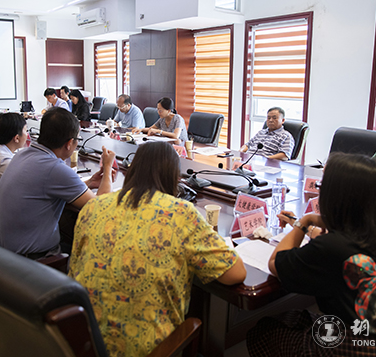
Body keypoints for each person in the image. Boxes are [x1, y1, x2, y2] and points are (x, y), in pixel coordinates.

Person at [69, 142, 246, 357]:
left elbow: (74, 268)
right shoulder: (181, 213)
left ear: (132, 171)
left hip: (81, 342)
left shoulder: (94, 206)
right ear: (175, 178)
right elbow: (236, 274)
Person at [246, 153, 376, 356]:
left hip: (360, 349)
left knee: (264, 331)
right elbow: (344, 247)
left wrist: (305, 221)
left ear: (336, 195)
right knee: (298, 318)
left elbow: (276, 263)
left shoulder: (331, 246)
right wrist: (311, 227)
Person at [0, 107, 115, 258]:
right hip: (32, 259)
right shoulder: (54, 168)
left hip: (4, 253)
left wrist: (89, 182)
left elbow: (47, 187)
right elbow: (101, 207)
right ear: (69, 143)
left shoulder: (23, 154)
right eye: (78, 139)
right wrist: (108, 168)